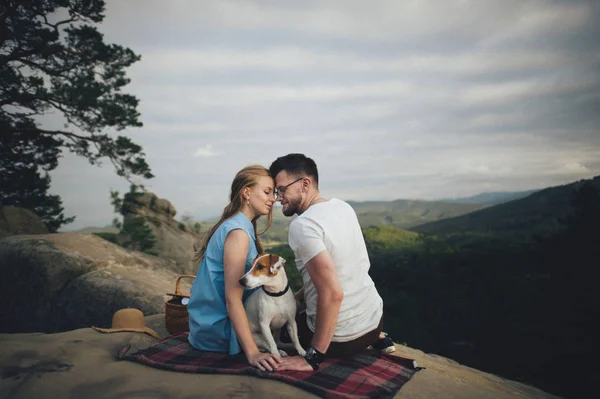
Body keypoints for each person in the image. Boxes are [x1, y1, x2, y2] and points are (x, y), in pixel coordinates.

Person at [269, 154, 395, 372]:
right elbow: (345, 271)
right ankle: (378, 338)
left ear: (305, 184)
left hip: (342, 339)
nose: (278, 198)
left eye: (281, 189)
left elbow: (333, 293)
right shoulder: (343, 207)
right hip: (375, 322)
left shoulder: (303, 225)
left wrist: (313, 357)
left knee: (273, 328)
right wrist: (298, 297)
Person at [187, 165, 281, 372]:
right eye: (267, 192)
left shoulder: (242, 225)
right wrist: (253, 353)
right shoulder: (238, 232)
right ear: (246, 192)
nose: (273, 198)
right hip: (220, 328)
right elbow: (232, 297)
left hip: (225, 320)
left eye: (273, 193)